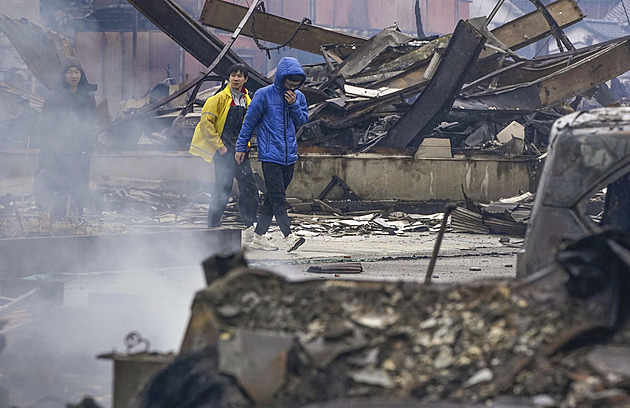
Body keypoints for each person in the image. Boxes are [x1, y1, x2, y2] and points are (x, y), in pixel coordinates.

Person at [235, 57, 308, 252]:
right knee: (278, 197)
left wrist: (293, 104)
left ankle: (259, 236)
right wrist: (241, 147)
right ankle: (288, 235)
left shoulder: (298, 97)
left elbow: (301, 121)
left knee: (271, 199)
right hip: (270, 154)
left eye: (295, 85)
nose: (291, 88)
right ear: (281, 78)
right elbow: (249, 122)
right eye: (288, 83)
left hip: (289, 155)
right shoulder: (264, 95)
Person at [189, 64, 259, 240]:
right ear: (229, 78)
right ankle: (213, 224)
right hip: (223, 150)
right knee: (223, 187)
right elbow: (206, 124)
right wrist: (220, 147)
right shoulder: (218, 99)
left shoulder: (248, 101)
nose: (236, 79)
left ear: (246, 79)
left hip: (241, 150)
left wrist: (244, 147)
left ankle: (250, 224)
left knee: (249, 187)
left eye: (240, 76)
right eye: (233, 75)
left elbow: (248, 127)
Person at [33, 57, 97, 218]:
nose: (74, 76)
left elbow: (90, 123)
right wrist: (55, 146)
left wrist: (89, 142)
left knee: (80, 183)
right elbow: (45, 127)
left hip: (81, 149)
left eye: (77, 72)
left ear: (81, 75)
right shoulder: (54, 99)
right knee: (59, 183)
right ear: (64, 75)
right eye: (70, 72)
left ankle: (77, 217)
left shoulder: (89, 99)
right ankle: (59, 217)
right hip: (59, 150)